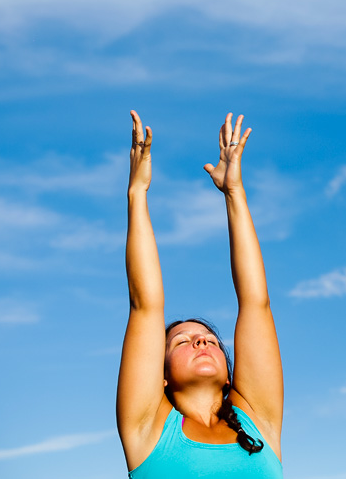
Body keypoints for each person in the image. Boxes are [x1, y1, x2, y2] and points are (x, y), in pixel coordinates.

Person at [117, 111, 283, 478]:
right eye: (182, 342)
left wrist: (234, 192)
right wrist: (137, 192)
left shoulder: (258, 421)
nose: (201, 343)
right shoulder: (148, 429)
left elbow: (256, 303)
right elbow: (145, 306)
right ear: (159, 376)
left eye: (208, 339)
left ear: (229, 374)